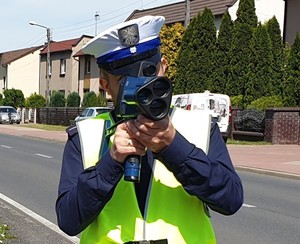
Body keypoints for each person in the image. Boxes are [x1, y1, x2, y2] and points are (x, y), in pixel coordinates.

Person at [56, 15, 243, 244]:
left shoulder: (200, 127)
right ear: (106, 86)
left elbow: (231, 200)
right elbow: (68, 220)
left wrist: (174, 147)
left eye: (149, 74)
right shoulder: (84, 136)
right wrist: (110, 162)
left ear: (163, 67)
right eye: (126, 81)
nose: (142, 89)